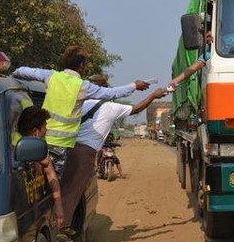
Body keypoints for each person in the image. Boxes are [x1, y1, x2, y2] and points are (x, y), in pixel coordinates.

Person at [12, 45, 149, 178]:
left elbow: (23, 71)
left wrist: (11, 72)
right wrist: (134, 86)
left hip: (41, 139)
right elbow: (112, 93)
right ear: (82, 65)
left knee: (38, 181)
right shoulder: (83, 86)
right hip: (62, 145)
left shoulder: (51, 76)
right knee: (56, 182)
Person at [59, 75, 168, 235]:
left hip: (65, 148)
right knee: (74, 191)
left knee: (62, 187)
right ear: (106, 90)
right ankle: (63, 227)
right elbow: (136, 109)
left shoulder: (78, 104)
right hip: (85, 152)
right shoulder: (110, 107)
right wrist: (153, 95)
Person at [16, 106, 70, 242]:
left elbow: (52, 176)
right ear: (35, 131)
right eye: (44, 127)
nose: (46, 131)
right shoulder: (15, 154)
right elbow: (52, 175)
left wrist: (58, 205)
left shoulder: (39, 151)